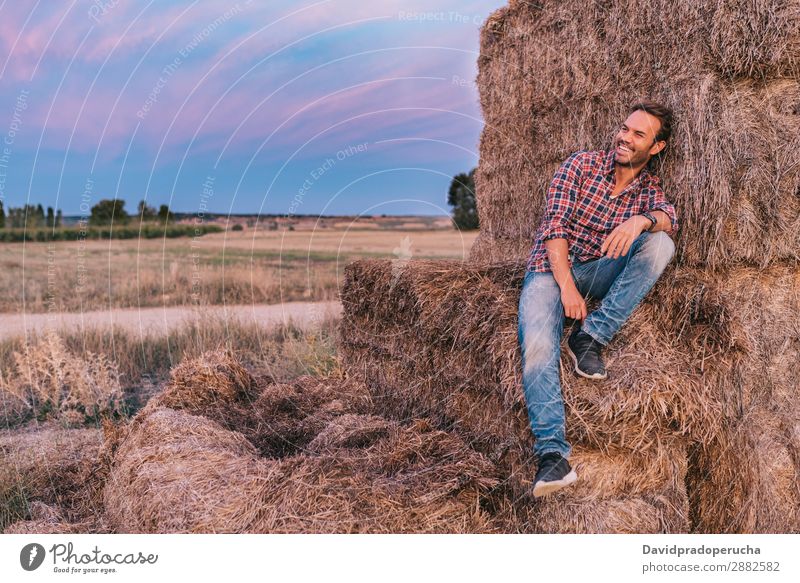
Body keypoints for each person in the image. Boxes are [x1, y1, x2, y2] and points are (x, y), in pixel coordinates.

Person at [518, 100, 679, 498]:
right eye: (625, 128)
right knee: (538, 347)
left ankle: (590, 336)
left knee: (660, 246)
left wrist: (642, 219)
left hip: (598, 271)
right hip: (549, 270)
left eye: (638, 134)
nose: (625, 137)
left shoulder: (648, 190)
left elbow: (672, 219)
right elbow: (552, 228)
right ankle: (553, 456)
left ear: (655, 148)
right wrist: (567, 289)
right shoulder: (580, 166)